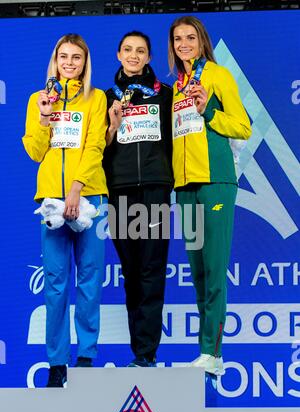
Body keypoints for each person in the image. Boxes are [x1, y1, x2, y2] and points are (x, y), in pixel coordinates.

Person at [22, 34, 108, 387]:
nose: (70, 63)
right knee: (56, 286)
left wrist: (76, 189)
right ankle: (57, 365)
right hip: (51, 204)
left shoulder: (96, 98)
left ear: (85, 63)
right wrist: (44, 119)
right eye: (63, 57)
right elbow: (34, 151)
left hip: (89, 198)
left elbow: (95, 145)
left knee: (89, 282)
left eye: (77, 57)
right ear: (54, 61)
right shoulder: (38, 99)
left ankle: (86, 359)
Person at [168, 16, 251, 375]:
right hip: (185, 186)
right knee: (198, 271)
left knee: (215, 269)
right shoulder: (176, 86)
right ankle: (208, 352)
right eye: (177, 39)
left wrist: (210, 110)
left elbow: (243, 126)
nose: (183, 44)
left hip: (216, 182)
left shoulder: (217, 75)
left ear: (201, 42)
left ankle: (212, 352)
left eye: (190, 37)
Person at [104, 31, 173, 367]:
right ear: (118, 54)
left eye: (141, 51)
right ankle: (139, 350)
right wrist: (112, 126)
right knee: (131, 270)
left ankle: (146, 354)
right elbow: (96, 149)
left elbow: (179, 142)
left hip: (156, 188)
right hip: (119, 190)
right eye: (128, 50)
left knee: (151, 267)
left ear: (149, 57)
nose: (133, 55)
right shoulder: (105, 99)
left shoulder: (167, 96)